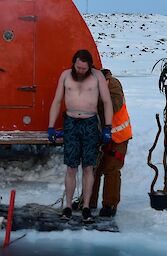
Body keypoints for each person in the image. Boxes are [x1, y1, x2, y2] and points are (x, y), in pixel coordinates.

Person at [47, 50, 113, 222]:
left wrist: (107, 127)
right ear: (74, 64)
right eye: (78, 67)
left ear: (90, 66)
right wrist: (51, 126)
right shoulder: (66, 76)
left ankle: (85, 206)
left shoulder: (97, 77)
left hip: (90, 124)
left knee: (88, 167)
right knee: (71, 167)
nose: (81, 70)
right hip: (71, 123)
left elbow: (107, 102)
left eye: (84, 68)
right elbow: (56, 101)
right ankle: (68, 206)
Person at [90, 68, 132, 217]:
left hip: (119, 137)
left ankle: (110, 205)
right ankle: (88, 202)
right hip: (101, 136)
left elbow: (112, 106)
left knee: (111, 169)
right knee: (93, 169)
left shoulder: (114, 86)